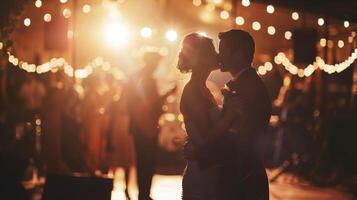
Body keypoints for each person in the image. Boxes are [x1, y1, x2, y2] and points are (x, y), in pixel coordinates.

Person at [183, 30, 272, 200]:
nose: (219, 55)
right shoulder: (242, 84)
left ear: (238, 54)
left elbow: (240, 141)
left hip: (242, 181)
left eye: (223, 50)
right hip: (234, 179)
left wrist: (201, 152)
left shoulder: (248, 88)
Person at [178, 33, 245, 199]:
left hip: (210, 168)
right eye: (213, 50)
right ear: (202, 57)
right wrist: (230, 114)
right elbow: (206, 136)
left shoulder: (204, 88)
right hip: (202, 172)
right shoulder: (193, 90)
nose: (217, 54)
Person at [124, 51, 176, 200]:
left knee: (142, 161)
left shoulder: (135, 77)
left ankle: (143, 192)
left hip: (138, 125)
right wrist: (168, 94)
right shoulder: (147, 79)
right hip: (146, 126)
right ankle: (144, 193)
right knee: (148, 161)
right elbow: (151, 104)